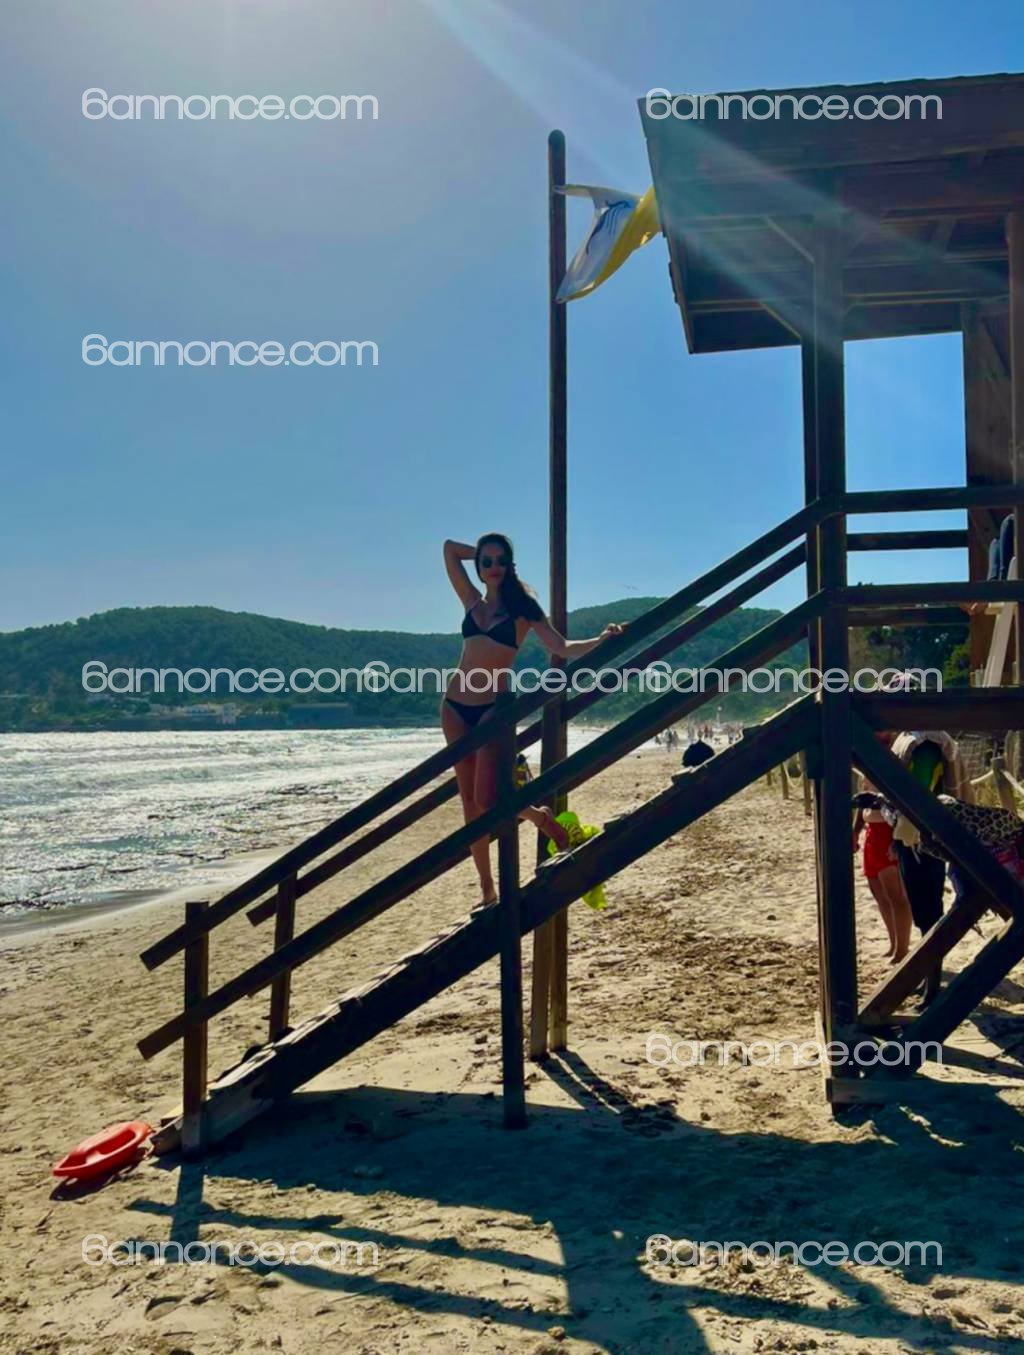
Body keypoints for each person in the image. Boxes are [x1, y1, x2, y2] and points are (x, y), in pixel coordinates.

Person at [442, 533, 625, 907]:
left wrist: (600, 640)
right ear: (479, 568)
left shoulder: (523, 610)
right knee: (469, 806)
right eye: (486, 562)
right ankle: (487, 888)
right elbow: (448, 549)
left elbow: (561, 647)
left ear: (510, 565)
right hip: (454, 709)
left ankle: (541, 818)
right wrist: (480, 552)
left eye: (500, 561)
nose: (493, 567)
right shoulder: (472, 601)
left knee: (486, 799)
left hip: (491, 709)